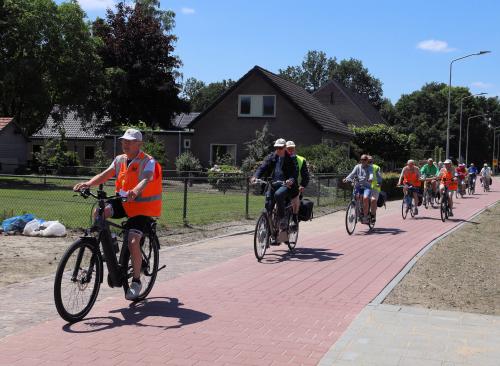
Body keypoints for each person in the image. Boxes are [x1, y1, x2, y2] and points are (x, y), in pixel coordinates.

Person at [73, 128, 163, 300]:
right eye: (123, 141)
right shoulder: (120, 160)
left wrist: (135, 191)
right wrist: (88, 184)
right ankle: (111, 240)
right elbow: (105, 174)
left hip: (143, 208)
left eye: (129, 141)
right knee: (99, 212)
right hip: (124, 203)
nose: (125, 144)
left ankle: (136, 282)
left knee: (133, 240)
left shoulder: (148, 161)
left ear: (139, 144)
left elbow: (146, 178)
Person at [251, 138, 298, 230]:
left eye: (280, 148)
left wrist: (290, 180)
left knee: (278, 194)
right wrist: (255, 176)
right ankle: (268, 229)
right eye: (276, 147)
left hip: (285, 185)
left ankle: (282, 218)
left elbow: (294, 173)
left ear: (285, 147)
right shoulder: (272, 157)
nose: (278, 150)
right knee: (268, 205)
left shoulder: (291, 158)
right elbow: (262, 167)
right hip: (273, 184)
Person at [343, 154, 373, 224]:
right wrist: (347, 179)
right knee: (356, 198)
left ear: (367, 161)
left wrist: (370, 179)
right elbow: (352, 174)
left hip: (366, 187)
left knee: (365, 198)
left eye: (364, 160)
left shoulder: (370, 167)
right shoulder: (357, 166)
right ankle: (358, 213)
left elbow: (371, 174)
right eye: (361, 159)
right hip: (358, 186)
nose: (363, 161)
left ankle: (365, 216)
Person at [285, 141, 310, 226]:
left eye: (292, 148)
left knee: (296, 200)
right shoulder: (282, 158)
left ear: (294, 149)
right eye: (289, 149)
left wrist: (302, 185)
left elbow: (305, 175)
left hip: (296, 186)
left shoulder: (301, 160)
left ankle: (295, 217)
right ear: (285, 149)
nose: (290, 150)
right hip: (284, 185)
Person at [367, 155, 383, 222]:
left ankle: (373, 215)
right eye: (368, 160)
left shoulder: (376, 167)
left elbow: (379, 176)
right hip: (365, 187)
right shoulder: (361, 166)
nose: (369, 161)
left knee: (373, 201)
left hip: (375, 187)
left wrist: (379, 183)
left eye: (370, 160)